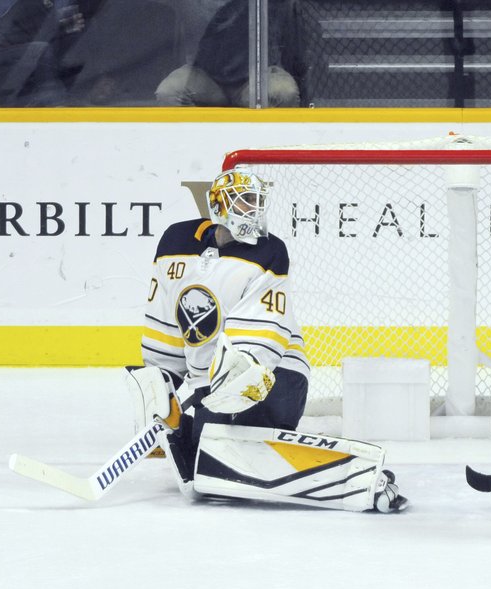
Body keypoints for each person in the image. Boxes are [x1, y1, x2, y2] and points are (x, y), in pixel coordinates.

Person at [129, 167, 405, 512]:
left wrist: (219, 389)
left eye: (257, 202)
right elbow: (166, 325)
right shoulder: (175, 243)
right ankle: (195, 437)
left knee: (215, 461)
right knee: (204, 461)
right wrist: (162, 388)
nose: (252, 210)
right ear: (218, 206)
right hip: (215, 389)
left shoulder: (269, 252)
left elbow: (258, 343)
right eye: (243, 201)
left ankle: (361, 479)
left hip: (275, 376)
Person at [155, 0, 302, 107]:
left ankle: (268, 146)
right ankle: (193, 145)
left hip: (255, 79)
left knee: (284, 92)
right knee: (169, 91)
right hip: (206, 78)